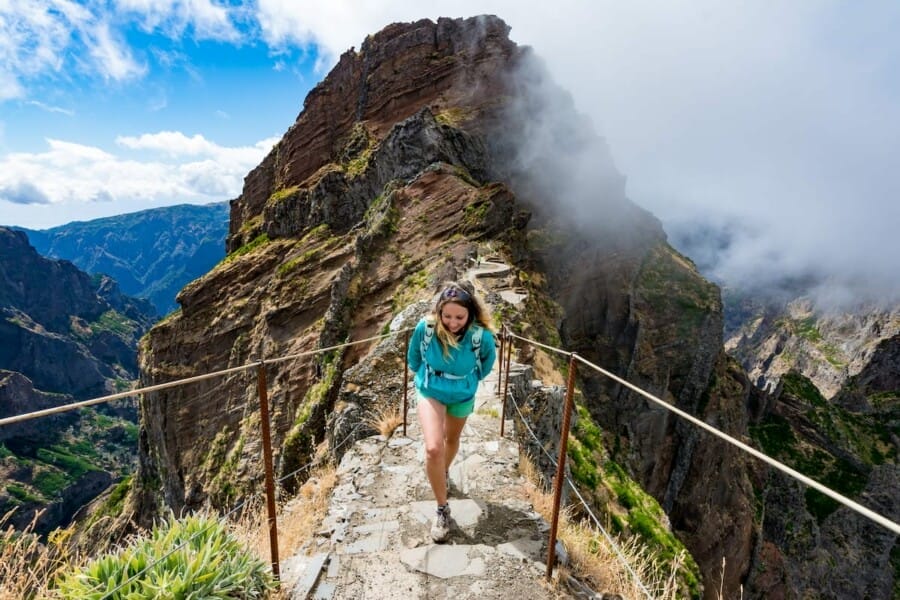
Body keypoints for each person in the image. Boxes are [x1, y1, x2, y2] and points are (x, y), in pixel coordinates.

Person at [406, 280, 497, 543]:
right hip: (430, 389)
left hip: (461, 394)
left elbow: (487, 363)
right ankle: (442, 508)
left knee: (452, 440)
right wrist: (424, 377)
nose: (452, 322)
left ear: (470, 314)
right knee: (434, 448)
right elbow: (414, 356)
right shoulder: (427, 328)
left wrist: (468, 380)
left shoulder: (481, 337)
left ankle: (442, 471)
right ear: (439, 312)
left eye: (459, 316)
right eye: (447, 316)